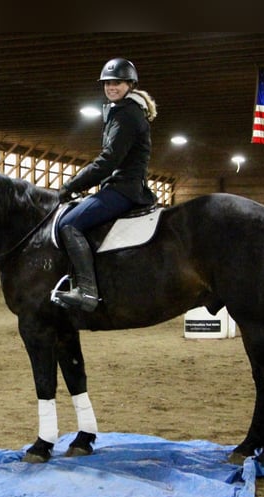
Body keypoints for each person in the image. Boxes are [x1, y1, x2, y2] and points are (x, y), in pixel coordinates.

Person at [54, 57, 158, 312]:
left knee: (69, 224)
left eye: (118, 83)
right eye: (108, 83)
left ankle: (87, 291)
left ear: (130, 85)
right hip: (122, 185)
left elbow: (109, 160)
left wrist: (72, 185)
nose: (112, 87)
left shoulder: (127, 114)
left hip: (123, 188)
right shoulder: (122, 111)